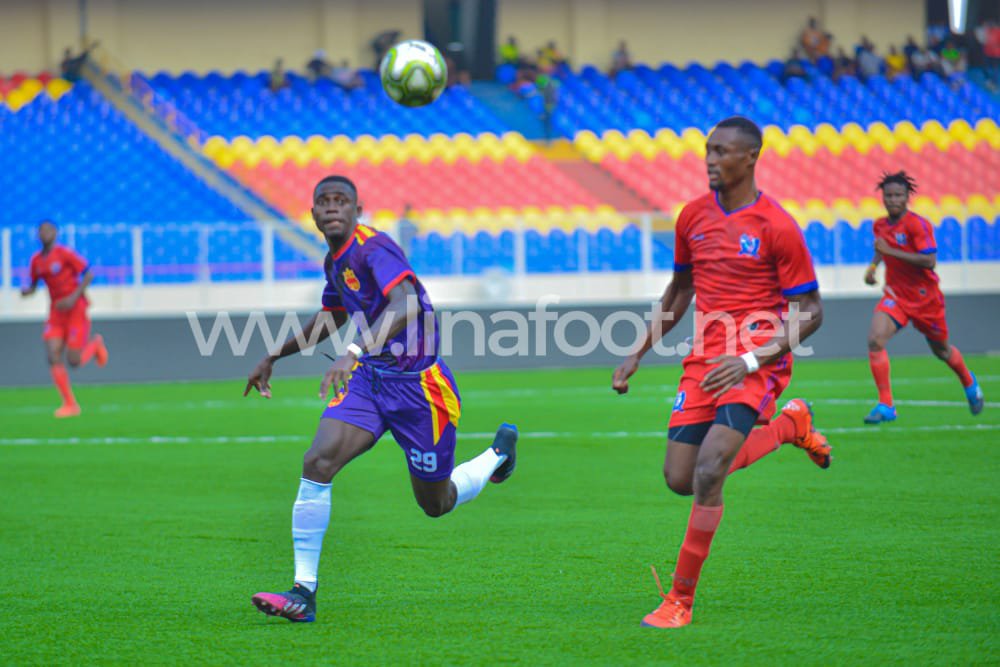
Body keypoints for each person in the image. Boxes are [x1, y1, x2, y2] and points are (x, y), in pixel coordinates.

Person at [244, 176, 518, 623]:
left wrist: (353, 350)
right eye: (324, 202)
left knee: (435, 504)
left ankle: (496, 456)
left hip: (420, 390)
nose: (332, 208)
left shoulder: (375, 248)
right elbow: (331, 316)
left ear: (357, 210)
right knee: (317, 462)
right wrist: (274, 355)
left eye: (342, 201)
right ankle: (303, 593)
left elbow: (405, 303)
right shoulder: (334, 262)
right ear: (313, 214)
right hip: (371, 381)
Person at [612, 117, 831, 629]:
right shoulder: (692, 217)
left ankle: (680, 600)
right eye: (708, 151)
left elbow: (811, 311)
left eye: (722, 152)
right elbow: (680, 291)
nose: (711, 160)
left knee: (711, 472)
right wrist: (638, 351)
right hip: (706, 358)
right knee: (680, 478)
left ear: (751, 157)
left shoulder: (776, 226)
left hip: (756, 360)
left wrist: (753, 359)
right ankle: (790, 426)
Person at [863, 171, 984, 424]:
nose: (893, 200)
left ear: (907, 197)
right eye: (888, 195)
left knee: (942, 351)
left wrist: (890, 251)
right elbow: (881, 249)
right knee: (875, 340)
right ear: (882, 198)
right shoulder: (880, 225)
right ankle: (886, 405)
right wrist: (873, 267)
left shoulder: (918, 225)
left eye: (898, 195)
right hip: (896, 294)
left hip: (925, 299)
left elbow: (929, 261)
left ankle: (968, 381)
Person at [20, 220, 109, 417]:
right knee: (52, 355)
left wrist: (73, 298)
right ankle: (69, 403)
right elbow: (34, 285)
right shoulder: (36, 261)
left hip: (75, 308)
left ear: (55, 233)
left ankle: (95, 345)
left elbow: (89, 274)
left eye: (48, 230)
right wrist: (27, 292)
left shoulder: (65, 254)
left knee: (74, 361)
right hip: (56, 312)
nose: (44, 233)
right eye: (41, 231)